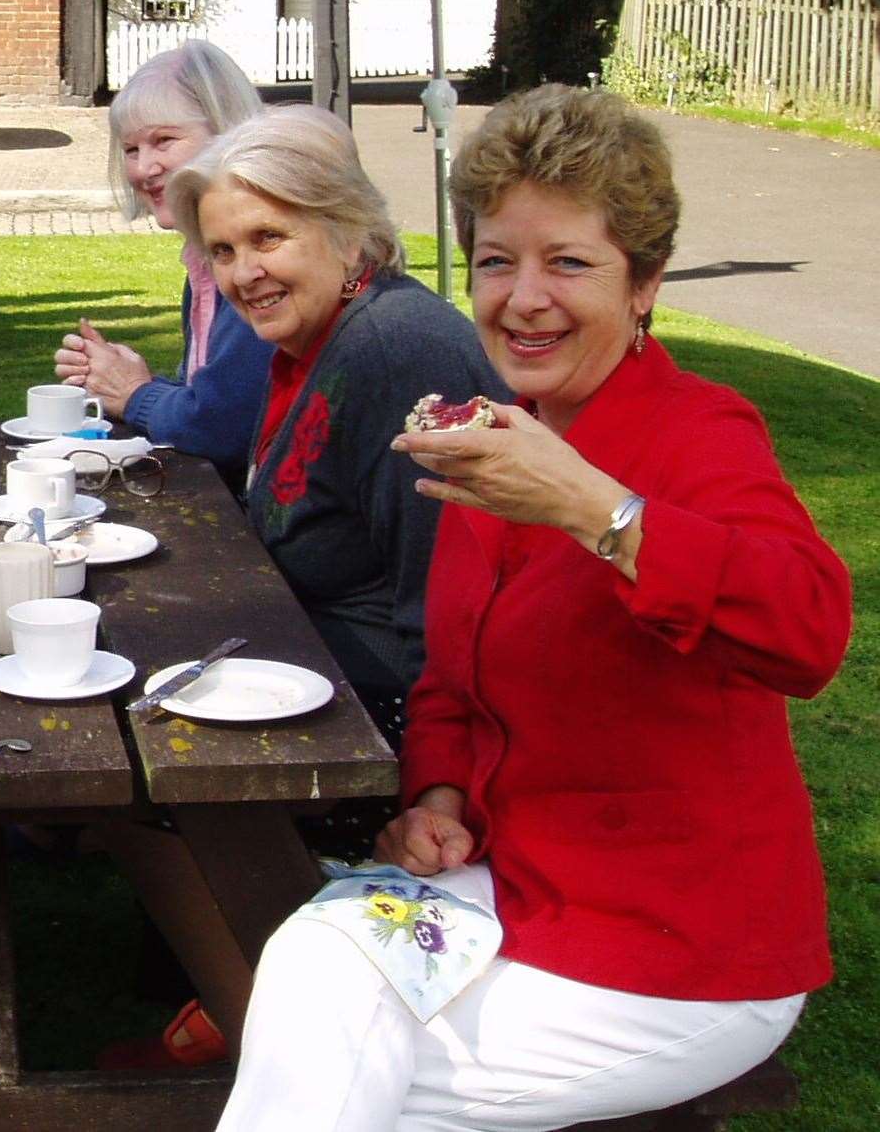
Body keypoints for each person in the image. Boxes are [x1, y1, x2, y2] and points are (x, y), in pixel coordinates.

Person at [218, 86, 853, 1131]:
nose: (523, 299)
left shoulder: (699, 433)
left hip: (683, 949)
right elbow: (454, 682)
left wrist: (594, 509)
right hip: (511, 891)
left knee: (351, 1088)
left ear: (645, 283)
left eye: (569, 263)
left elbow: (809, 629)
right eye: (497, 262)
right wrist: (438, 798)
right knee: (313, 964)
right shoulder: (496, 441)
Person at [169, 105, 504, 758]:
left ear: (347, 236)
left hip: (386, 722)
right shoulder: (311, 340)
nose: (242, 274)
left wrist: (433, 785)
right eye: (223, 251)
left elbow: (442, 606)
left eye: (268, 238)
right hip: (310, 670)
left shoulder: (392, 351)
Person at [53, 42, 271, 487]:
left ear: (227, 132)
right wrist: (125, 379)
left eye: (164, 140)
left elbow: (221, 429)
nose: (144, 168)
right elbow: (215, 400)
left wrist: (135, 394)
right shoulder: (204, 264)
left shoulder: (255, 267)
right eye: (131, 149)